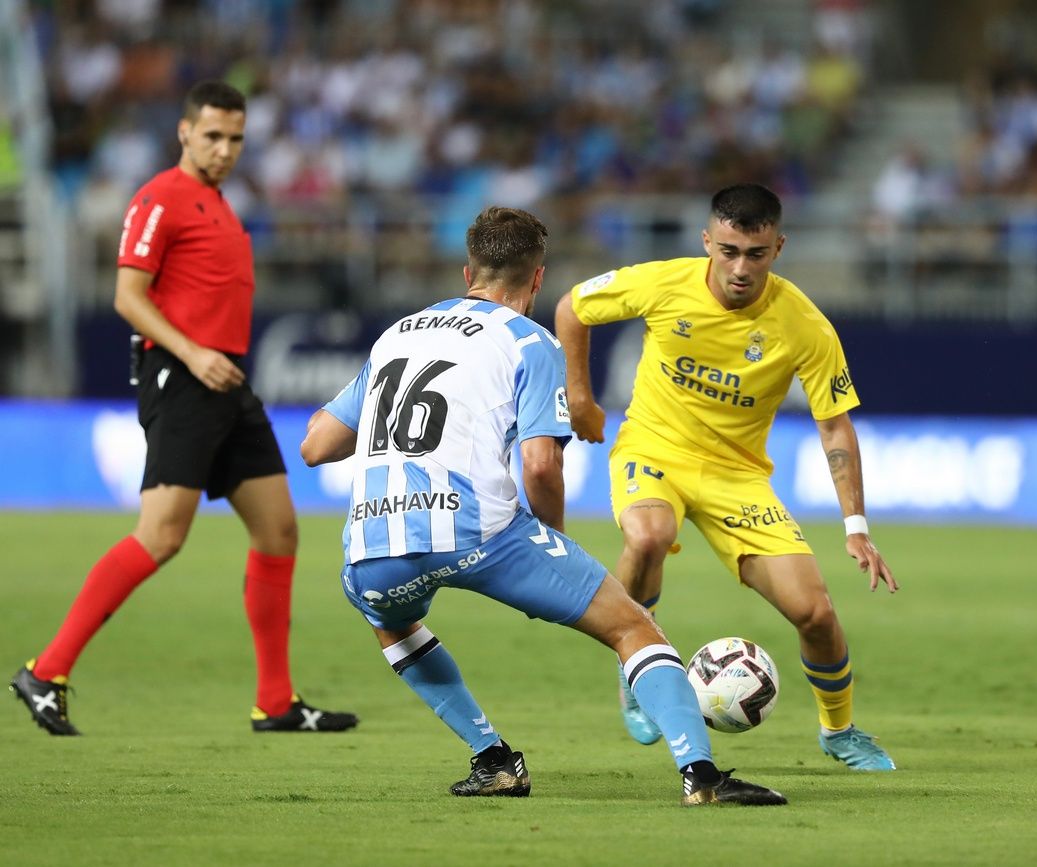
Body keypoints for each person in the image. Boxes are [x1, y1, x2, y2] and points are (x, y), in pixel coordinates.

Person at [300, 206, 784, 805]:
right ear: (536, 280)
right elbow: (539, 463)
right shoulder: (529, 340)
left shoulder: (397, 334)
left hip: (372, 546)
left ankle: (495, 761)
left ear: (466, 272)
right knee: (634, 625)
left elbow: (316, 444)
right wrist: (553, 540)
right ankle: (702, 779)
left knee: (393, 625)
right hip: (479, 533)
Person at [10, 81, 357, 736]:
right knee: (163, 534)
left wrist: (211, 359)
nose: (224, 150)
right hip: (184, 375)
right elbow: (127, 297)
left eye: (235, 139)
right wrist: (193, 354)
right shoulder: (158, 198)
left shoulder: (220, 207)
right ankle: (45, 670)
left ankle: (276, 702)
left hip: (226, 379)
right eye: (212, 137)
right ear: (183, 132)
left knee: (279, 529)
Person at [554, 183, 900, 771]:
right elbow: (571, 308)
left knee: (815, 614)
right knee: (647, 535)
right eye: (730, 251)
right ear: (707, 242)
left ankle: (838, 731)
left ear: (779, 248)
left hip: (737, 477)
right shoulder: (663, 283)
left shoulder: (804, 325)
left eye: (757, 254)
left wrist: (856, 526)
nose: (741, 268)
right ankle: (635, 660)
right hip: (655, 448)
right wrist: (581, 398)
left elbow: (835, 429)